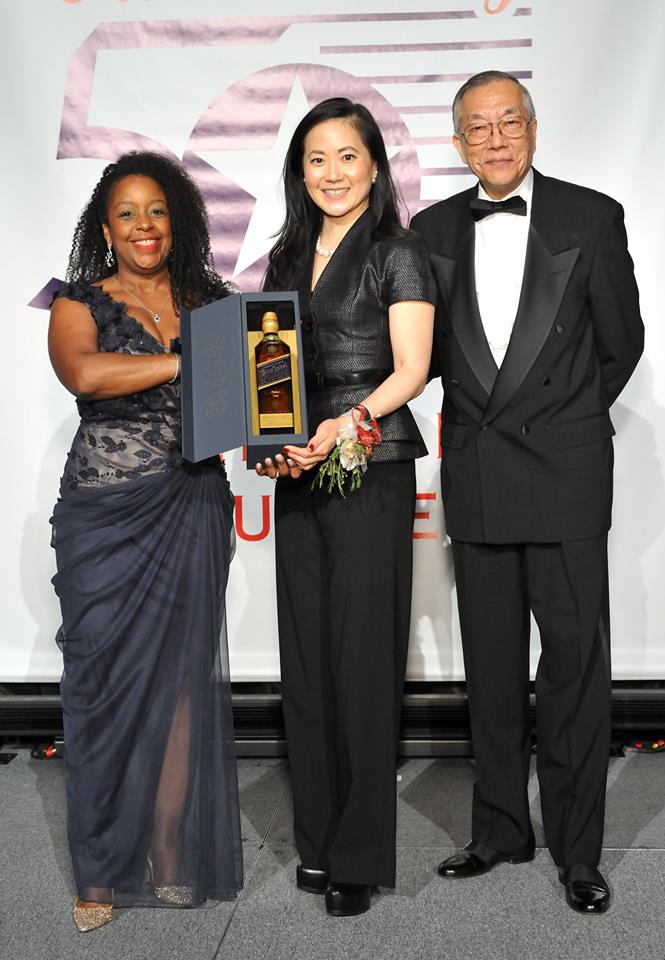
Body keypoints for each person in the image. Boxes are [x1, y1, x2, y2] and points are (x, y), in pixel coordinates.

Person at [411, 71, 644, 914]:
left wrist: (564, 424)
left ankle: (579, 850)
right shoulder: (430, 228)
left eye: (510, 121)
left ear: (534, 130)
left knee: (575, 673)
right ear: (459, 142)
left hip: (565, 477)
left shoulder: (591, 214)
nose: (497, 138)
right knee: (494, 670)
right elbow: (421, 356)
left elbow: (620, 345)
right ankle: (500, 829)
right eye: (479, 127)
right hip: (476, 479)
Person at [48, 151, 243, 931]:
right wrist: (184, 360)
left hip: (194, 502)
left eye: (157, 211)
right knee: (102, 689)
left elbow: (250, 393)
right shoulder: (80, 299)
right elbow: (86, 376)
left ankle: (166, 852)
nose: (143, 227)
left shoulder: (212, 301)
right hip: (105, 513)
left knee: (184, 686)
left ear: (179, 221)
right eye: (127, 213)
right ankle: (99, 870)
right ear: (106, 227)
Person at [256, 97, 435, 916]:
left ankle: (358, 856)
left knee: (361, 662)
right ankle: (320, 842)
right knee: (307, 663)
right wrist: (274, 442)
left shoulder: (398, 251)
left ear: (373, 165)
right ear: (300, 170)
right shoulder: (285, 255)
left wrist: (341, 427)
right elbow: (268, 376)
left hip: (369, 461)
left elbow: (410, 370)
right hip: (300, 472)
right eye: (316, 158)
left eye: (347, 157)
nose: (331, 173)